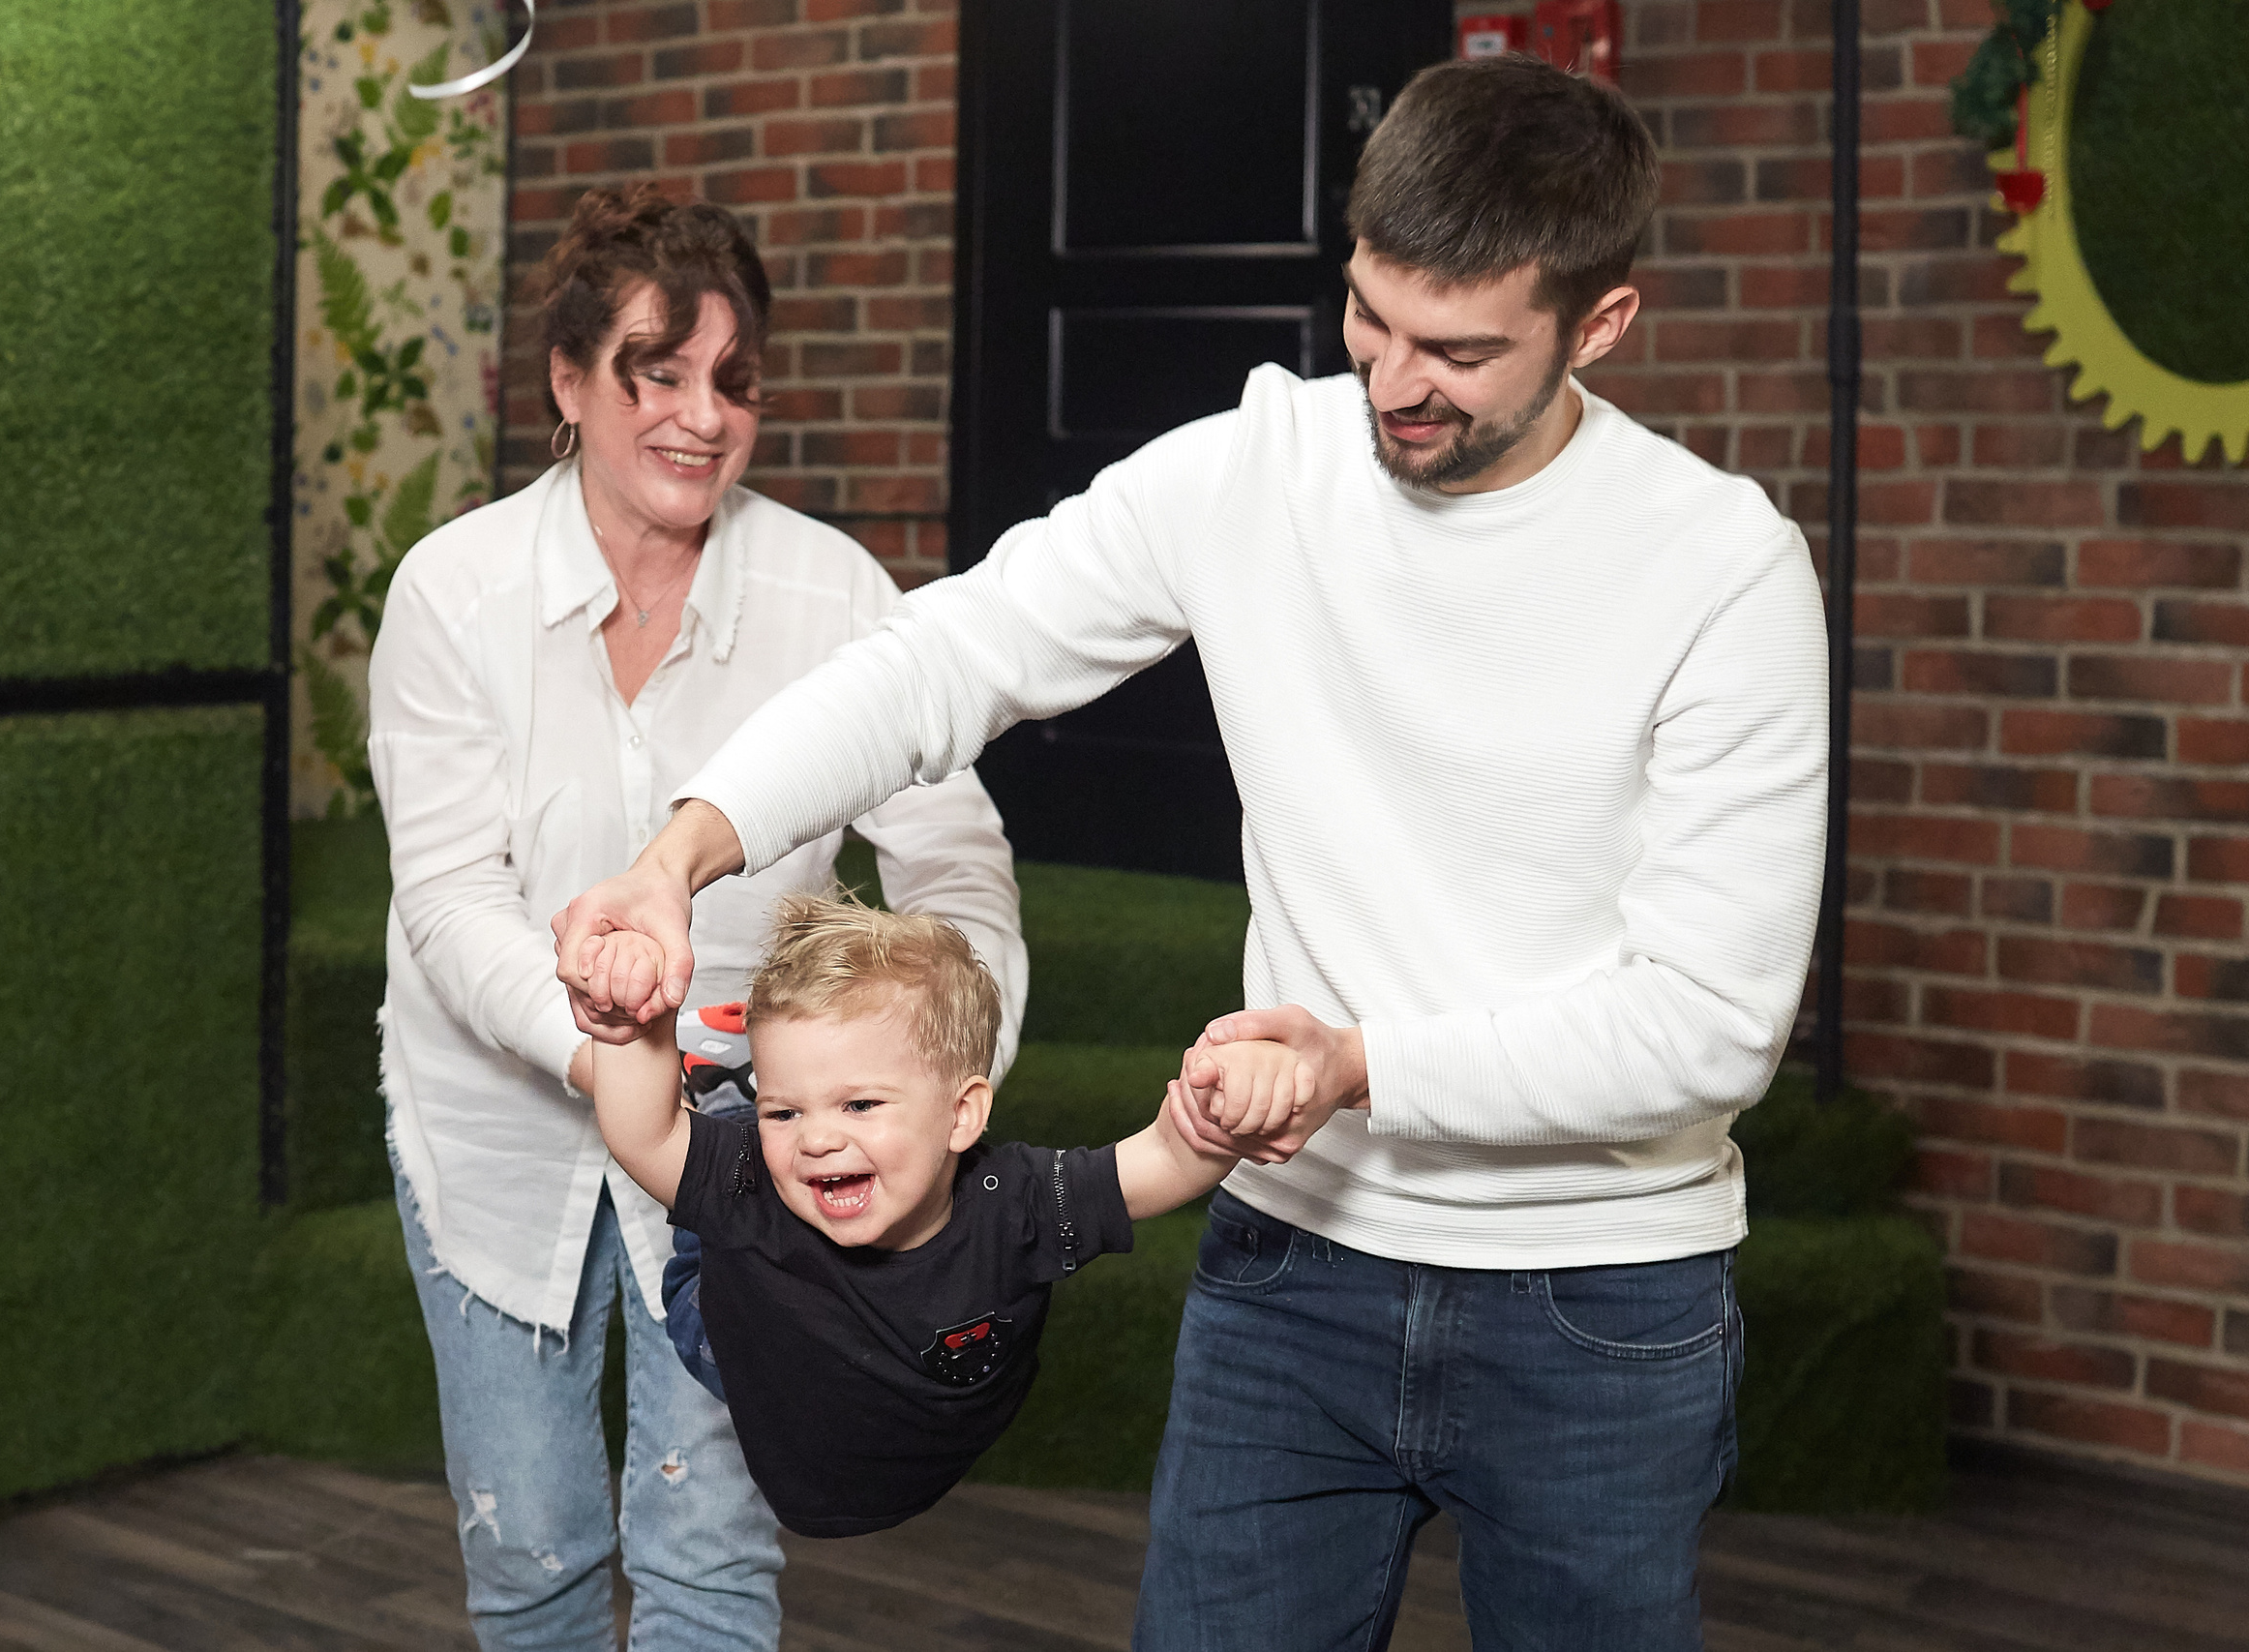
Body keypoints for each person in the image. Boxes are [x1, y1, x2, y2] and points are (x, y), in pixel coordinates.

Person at [551, 56, 1828, 1651]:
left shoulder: (1722, 572)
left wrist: (1357, 1062)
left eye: (1461, 349)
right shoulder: (1258, 469)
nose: (1393, 382)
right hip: (1294, 1270)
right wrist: (683, 851)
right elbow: (949, 657)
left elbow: (1708, 1020)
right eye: (1370, 317)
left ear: (1604, 325)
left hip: (1599, 1302)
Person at [368, 184, 1027, 1650]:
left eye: (732, 380)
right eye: (653, 372)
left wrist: (931, 1086)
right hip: (491, 1117)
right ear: (566, 380)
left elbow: (957, 865)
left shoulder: (833, 591)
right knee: (529, 1555)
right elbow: (450, 895)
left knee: (712, 1556)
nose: (699, 416)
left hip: (743, 1147)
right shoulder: (452, 590)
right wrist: (606, 1053)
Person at [580, 893, 1313, 1538]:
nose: (818, 1136)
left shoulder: (1015, 1201)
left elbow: (1153, 1164)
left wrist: (1216, 1117)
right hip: (748, 1339)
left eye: (859, 1102)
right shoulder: (756, 1183)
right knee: (714, 1195)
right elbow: (644, 1137)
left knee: (744, 1158)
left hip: (906, 1422)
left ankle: (746, 1086)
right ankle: (728, 1089)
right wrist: (626, 1027)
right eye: (790, 1109)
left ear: (963, 1115)